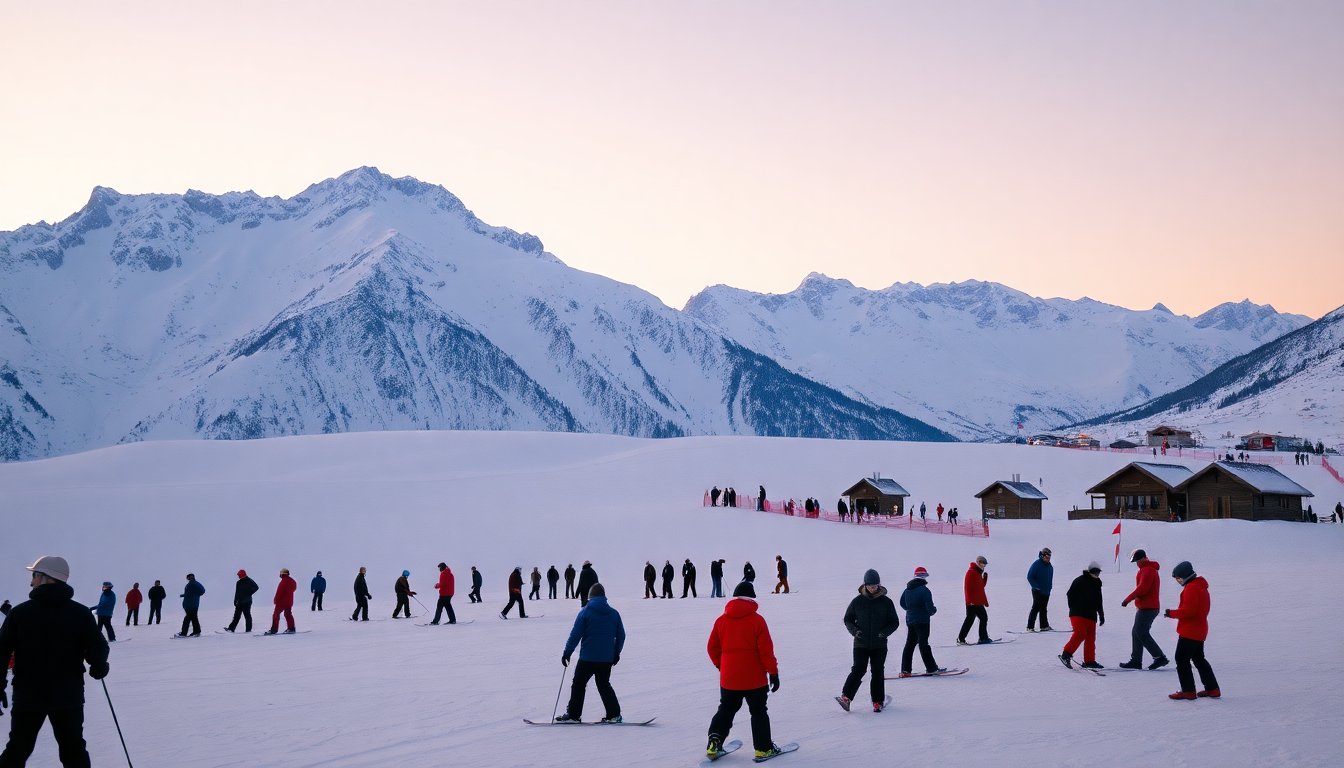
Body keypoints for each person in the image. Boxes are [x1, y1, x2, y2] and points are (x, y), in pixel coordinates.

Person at [0, 555, 109, 767]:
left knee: (17, 749)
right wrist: (99, 663)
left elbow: (1, 651)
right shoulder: (80, 613)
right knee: (73, 750)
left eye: (34, 575)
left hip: (29, 695)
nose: (31, 581)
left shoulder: (20, 613)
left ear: (45, 577)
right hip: (68, 695)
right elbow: (98, 645)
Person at [705, 582, 784, 762]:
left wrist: (722, 666)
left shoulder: (721, 620)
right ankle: (763, 749)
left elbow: (712, 648)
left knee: (726, 708)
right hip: (754, 679)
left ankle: (714, 742)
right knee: (758, 711)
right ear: (751, 599)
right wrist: (773, 673)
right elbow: (766, 651)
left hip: (729, 678)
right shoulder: (757, 620)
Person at [555, 583, 626, 723]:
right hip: (606, 659)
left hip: (588, 658)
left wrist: (567, 653)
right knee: (604, 684)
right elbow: (621, 635)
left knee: (579, 684)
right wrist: (616, 653)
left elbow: (575, 635)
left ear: (590, 596)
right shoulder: (614, 613)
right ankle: (614, 715)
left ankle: (574, 715)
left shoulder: (585, 611)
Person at [837, 569, 899, 712]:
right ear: (865, 585)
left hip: (879, 644)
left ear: (879, 585)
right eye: (870, 585)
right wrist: (855, 631)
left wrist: (884, 633)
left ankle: (877, 702)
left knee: (877, 672)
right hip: (861, 643)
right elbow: (848, 619)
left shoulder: (886, 602)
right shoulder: (857, 601)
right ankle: (846, 697)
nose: (873, 588)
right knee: (858, 669)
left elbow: (894, 622)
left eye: (875, 585)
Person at [1165, 561, 1219, 700]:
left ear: (1185, 576)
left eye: (1178, 578)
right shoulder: (1201, 587)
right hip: (1200, 630)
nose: (1178, 581)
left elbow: (1188, 611)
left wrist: (1171, 613)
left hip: (1190, 631)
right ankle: (1212, 689)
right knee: (1199, 659)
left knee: (1181, 659)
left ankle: (1188, 691)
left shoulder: (1191, 588)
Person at [1119, 549, 1168, 670]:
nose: (1136, 563)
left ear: (1144, 558)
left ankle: (1159, 657)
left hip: (1148, 607)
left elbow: (1143, 589)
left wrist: (1128, 599)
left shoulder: (1148, 570)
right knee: (1136, 632)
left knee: (1141, 632)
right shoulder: (1145, 569)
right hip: (1145, 607)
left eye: (1137, 560)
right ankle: (1136, 660)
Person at [1058, 562, 1105, 670]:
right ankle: (1066, 655)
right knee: (1080, 634)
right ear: (1090, 571)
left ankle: (1089, 661)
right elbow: (1070, 594)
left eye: (1098, 572)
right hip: (1077, 613)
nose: (1097, 574)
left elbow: (1099, 600)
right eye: (1095, 572)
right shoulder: (1080, 580)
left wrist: (1101, 614)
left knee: (1090, 638)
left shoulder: (1097, 583)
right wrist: (1074, 607)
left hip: (1091, 615)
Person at [899, 566, 942, 676]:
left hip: (910, 621)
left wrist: (911, 610)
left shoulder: (907, 590)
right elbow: (929, 607)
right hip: (922, 621)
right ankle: (931, 668)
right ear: (923, 577)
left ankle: (905, 670)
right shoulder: (925, 590)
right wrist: (933, 611)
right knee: (923, 644)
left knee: (910, 644)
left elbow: (902, 603)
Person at [957, 556, 991, 645]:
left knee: (970, 620)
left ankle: (961, 639)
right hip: (973, 602)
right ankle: (983, 638)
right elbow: (968, 588)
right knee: (983, 618)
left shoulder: (977, 572)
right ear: (979, 562)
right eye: (983, 564)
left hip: (976, 601)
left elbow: (980, 586)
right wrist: (971, 601)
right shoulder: (971, 572)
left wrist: (985, 578)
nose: (984, 566)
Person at [1026, 548, 1054, 631]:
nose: (1048, 557)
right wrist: (1036, 586)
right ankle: (1030, 627)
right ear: (1042, 555)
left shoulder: (1050, 566)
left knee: (1044, 608)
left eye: (1049, 555)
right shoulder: (1037, 564)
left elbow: (1050, 578)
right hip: (1037, 590)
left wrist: (1050, 587)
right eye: (1046, 555)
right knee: (1036, 607)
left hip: (1046, 591)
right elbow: (1030, 576)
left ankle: (1044, 626)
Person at [264, 567, 297, 635]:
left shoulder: (283, 581)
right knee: (288, 614)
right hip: (289, 601)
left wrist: (276, 600)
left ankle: (274, 629)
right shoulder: (292, 581)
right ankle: (291, 628)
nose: (280, 574)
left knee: (276, 614)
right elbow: (294, 589)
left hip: (281, 602)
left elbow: (279, 592)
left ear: (283, 573)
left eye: (280, 573)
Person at [176, 573, 205, 637]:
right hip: (190, 604)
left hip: (191, 605)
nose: (190, 578)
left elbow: (202, 591)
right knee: (193, 618)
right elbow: (190, 593)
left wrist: (195, 595)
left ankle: (184, 633)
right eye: (189, 577)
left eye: (191, 577)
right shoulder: (191, 584)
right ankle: (196, 631)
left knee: (187, 619)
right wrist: (184, 595)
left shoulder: (194, 583)